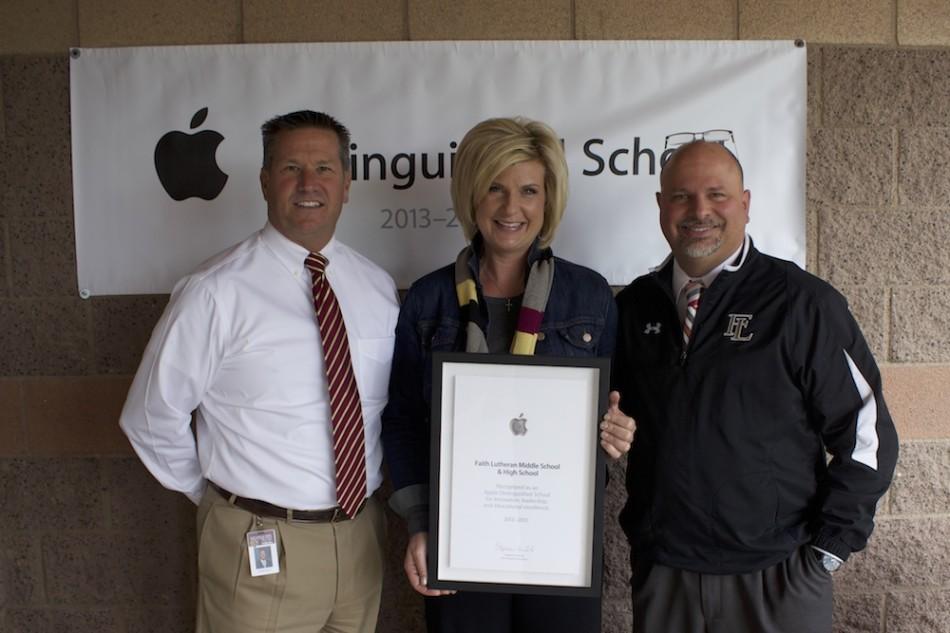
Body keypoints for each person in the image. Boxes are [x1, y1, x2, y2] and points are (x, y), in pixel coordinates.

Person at [120, 110, 399, 633]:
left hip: (359, 538)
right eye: (291, 168)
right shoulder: (214, 291)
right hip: (256, 546)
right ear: (265, 181)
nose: (309, 183)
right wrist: (221, 501)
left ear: (347, 185)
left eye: (324, 169)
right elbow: (150, 416)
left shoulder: (376, 287)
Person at [608, 139, 899, 632]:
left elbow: (866, 434)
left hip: (778, 579)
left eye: (717, 195)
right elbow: (608, 418)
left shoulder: (803, 304)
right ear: (661, 207)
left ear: (744, 204)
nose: (699, 211)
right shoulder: (635, 307)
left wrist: (828, 550)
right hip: (666, 575)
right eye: (681, 196)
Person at [381, 116, 634, 633]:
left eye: (528, 191)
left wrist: (619, 430)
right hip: (459, 540)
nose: (511, 208)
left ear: (549, 200)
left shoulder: (589, 296)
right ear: (471, 194)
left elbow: (618, 405)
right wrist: (420, 523)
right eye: (494, 188)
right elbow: (405, 419)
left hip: (558, 538)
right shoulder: (429, 300)